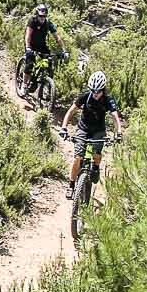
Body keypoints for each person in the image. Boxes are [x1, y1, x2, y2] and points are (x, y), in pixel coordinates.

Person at [61, 69, 125, 200]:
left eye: (98, 91)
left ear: (103, 89)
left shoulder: (108, 100)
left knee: (96, 154)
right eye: (93, 91)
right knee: (77, 158)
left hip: (98, 131)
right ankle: (71, 186)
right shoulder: (85, 96)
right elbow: (71, 111)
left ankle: (95, 166)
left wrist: (119, 132)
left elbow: (115, 116)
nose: (95, 94)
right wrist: (63, 128)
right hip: (83, 129)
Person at [22, 2, 66, 85]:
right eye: (41, 16)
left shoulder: (48, 24)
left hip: (42, 45)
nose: (42, 18)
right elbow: (28, 35)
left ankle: (47, 85)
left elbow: (57, 37)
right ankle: (24, 85)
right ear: (37, 15)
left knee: (49, 64)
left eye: (44, 16)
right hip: (31, 44)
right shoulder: (32, 21)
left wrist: (64, 51)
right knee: (30, 64)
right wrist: (28, 48)